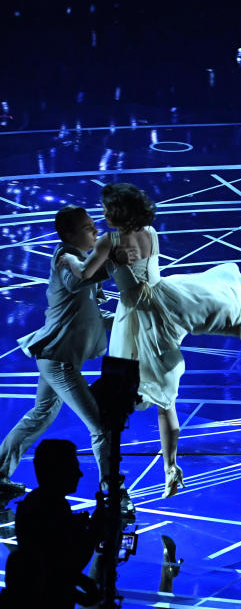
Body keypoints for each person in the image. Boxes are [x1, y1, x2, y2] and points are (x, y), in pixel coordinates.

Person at [58, 184, 241, 498]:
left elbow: (84, 276)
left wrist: (68, 260)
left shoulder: (108, 241)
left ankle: (159, 470)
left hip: (138, 318)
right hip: (167, 300)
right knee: (231, 324)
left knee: (140, 394)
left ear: (116, 212)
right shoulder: (150, 232)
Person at [0, 206, 124, 501]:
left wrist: (130, 319)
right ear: (69, 235)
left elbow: (91, 315)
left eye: (94, 226)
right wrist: (111, 261)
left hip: (55, 357)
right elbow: (77, 280)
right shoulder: (66, 258)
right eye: (87, 228)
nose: (95, 231)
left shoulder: (80, 260)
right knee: (101, 426)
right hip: (59, 361)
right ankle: (112, 491)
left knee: (40, 415)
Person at [1, 439, 102, 609]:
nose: (80, 474)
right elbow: (67, 565)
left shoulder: (34, 502)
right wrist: (95, 530)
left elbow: (50, 567)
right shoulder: (52, 507)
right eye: (74, 467)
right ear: (59, 471)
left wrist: (82, 588)